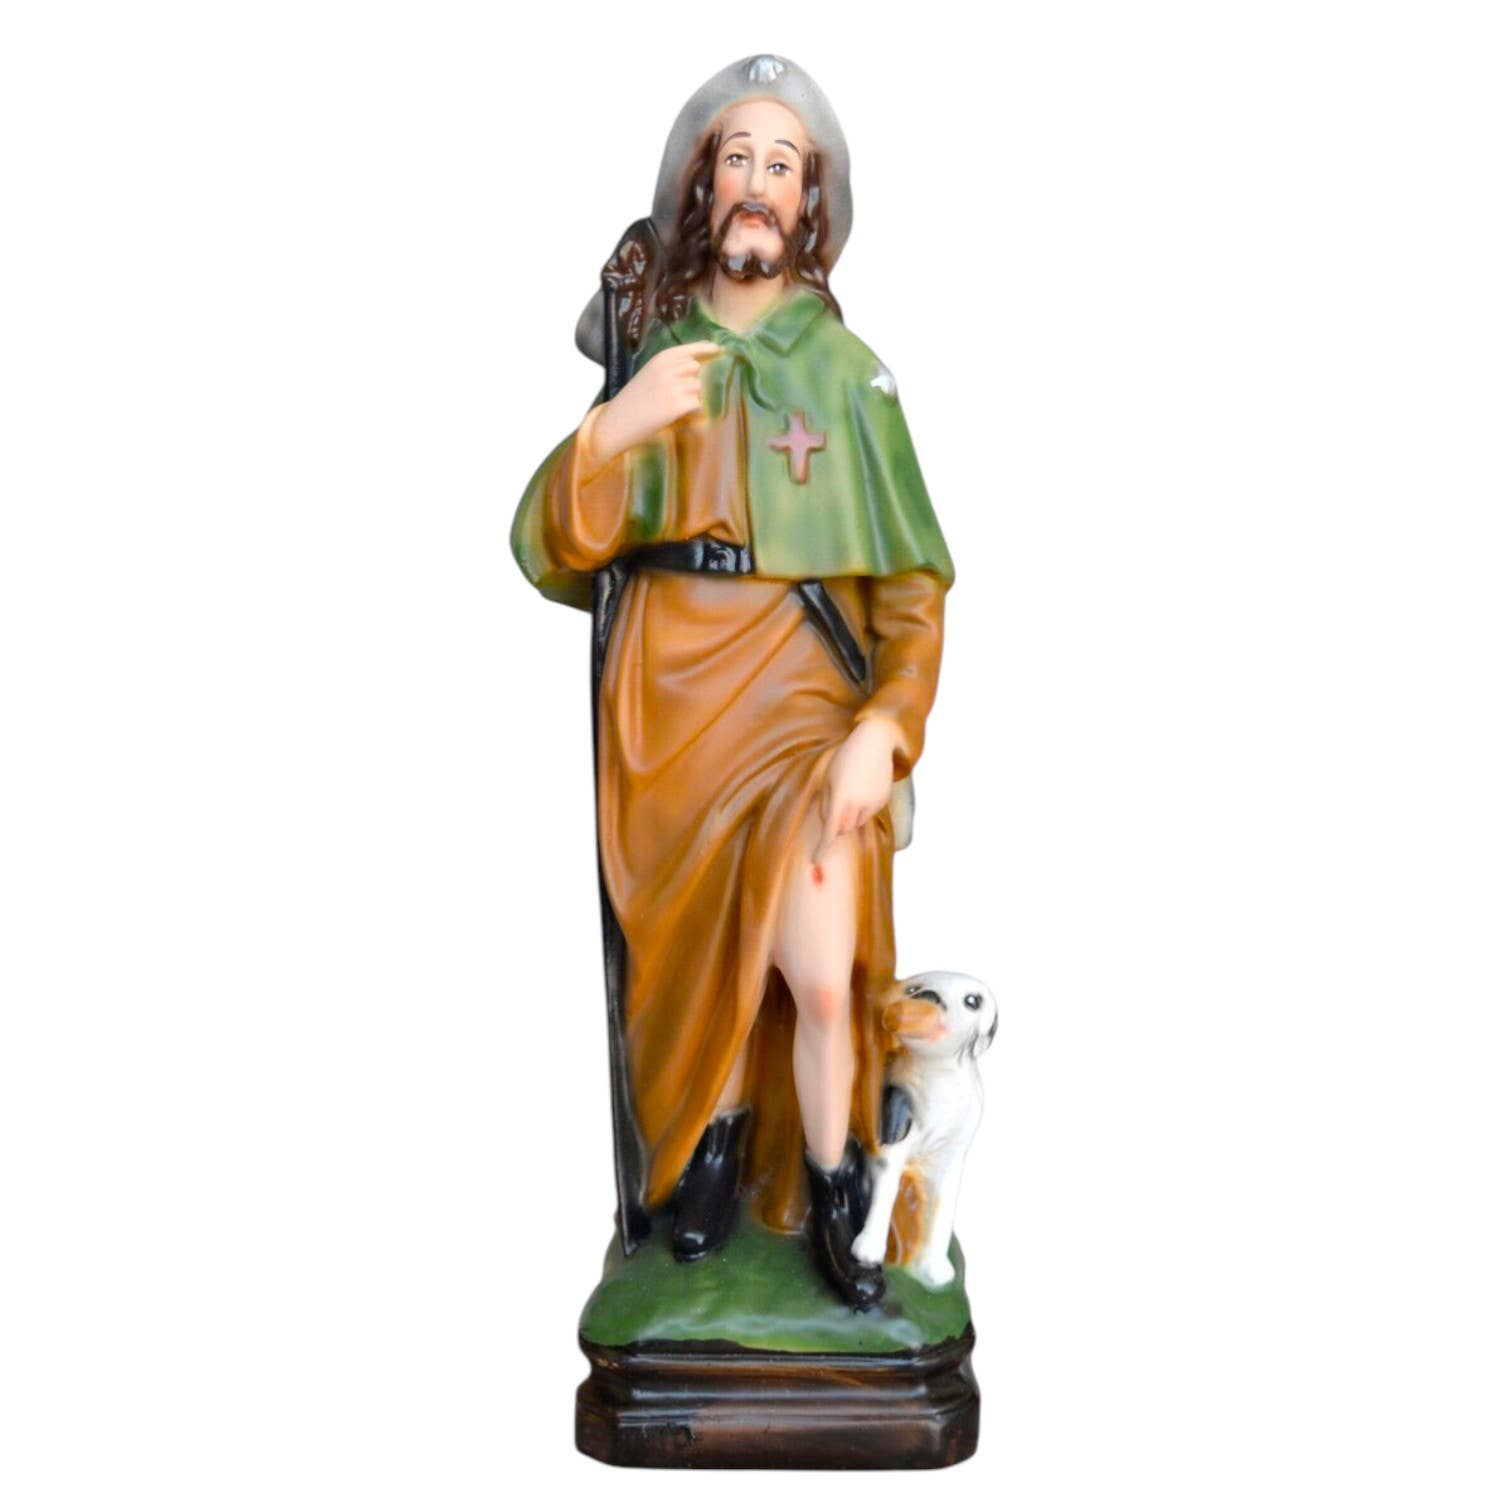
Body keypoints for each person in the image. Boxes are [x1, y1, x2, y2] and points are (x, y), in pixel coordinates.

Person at [512, 56, 953, 1308]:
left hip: (804, 707)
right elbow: (547, 546)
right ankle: (700, 1158)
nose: (757, 183)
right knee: (688, 951)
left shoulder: (849, 376)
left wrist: (884, 728)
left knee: (818, 968)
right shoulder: (655, 360)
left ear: (811, 201)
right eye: (737, 158)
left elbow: (913, 590)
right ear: (702, 187)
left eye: (782, 164)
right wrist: (615, 428)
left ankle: (832, 1181)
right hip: (670, 712)